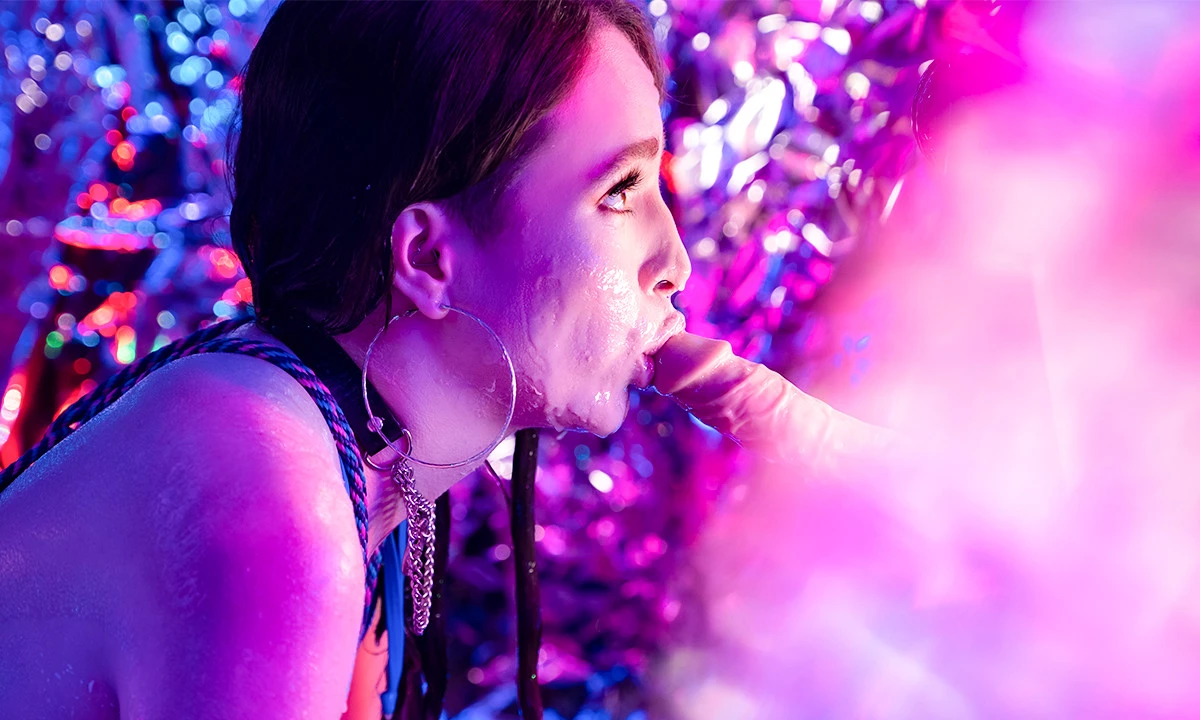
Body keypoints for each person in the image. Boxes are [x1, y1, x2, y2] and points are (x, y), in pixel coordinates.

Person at [0, 1, 894, 718]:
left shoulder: (337, 453)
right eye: (621, 190)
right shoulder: (275, 496)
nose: (677, 263)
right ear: (428, 258)